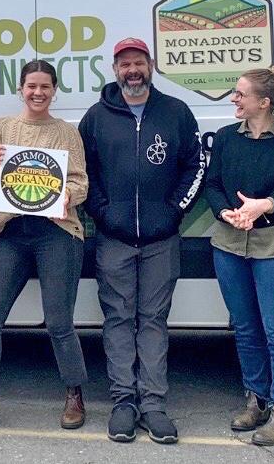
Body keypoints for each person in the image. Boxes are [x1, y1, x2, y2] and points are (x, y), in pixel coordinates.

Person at [79, 37, 204, 444]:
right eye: (124, 64)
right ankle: (123, 404)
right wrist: (102, 210)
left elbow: (196, 165)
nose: (132, 71)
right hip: (113, 239)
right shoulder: (97, 117)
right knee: (117, 320)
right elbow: (85, 173)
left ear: (150, 65)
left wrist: (174, 210)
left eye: (138, 63)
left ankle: (152, 404)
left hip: (161, 239)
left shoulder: (176, 113)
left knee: (152, 322)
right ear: (114, 70)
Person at [0, 60, 89, 436]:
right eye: (31, 86)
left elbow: (81, 184)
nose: (38, 93)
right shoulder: (1, 126)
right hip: (10, 232)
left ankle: (74, 394)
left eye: (45, 86)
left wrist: (64, 197)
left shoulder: (66, 132)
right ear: (20, 88)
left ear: (54, 90)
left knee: (60, 321)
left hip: (57, 232)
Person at [205, 66, 274, 446]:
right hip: (229, 246)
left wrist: (265, 205)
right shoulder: (224, 139)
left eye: (240, 94)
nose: (234, 99)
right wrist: (226, 213)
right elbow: (214, 185)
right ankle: (256, 399)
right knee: (247, 328)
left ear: (264, 102)